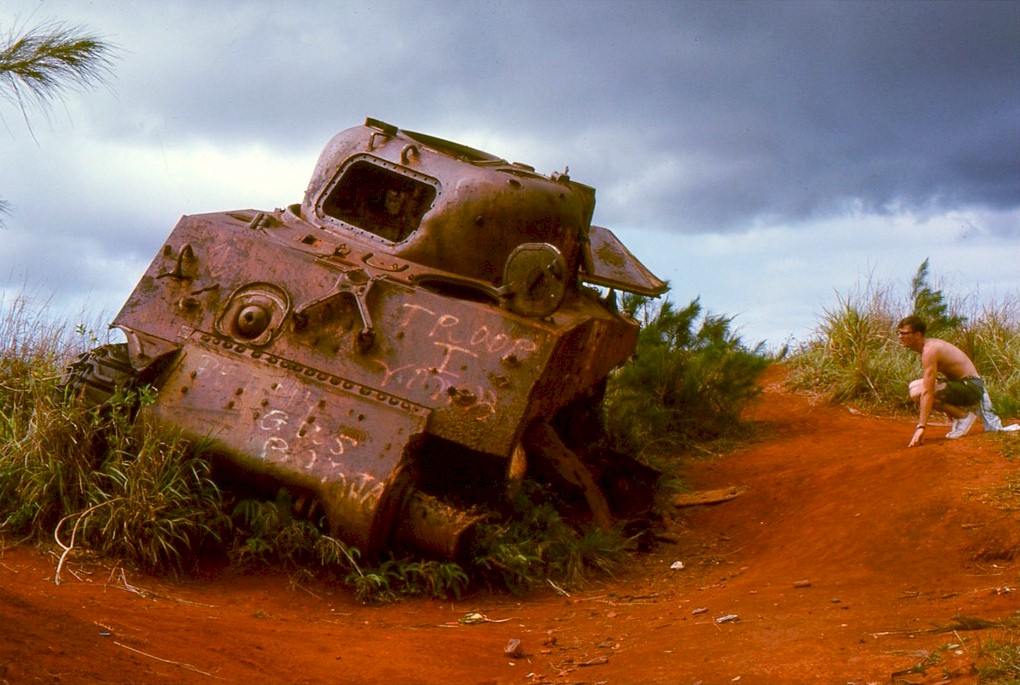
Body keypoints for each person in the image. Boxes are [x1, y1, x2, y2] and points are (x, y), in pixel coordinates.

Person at [897, 315, 1018, 447]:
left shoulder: (929, 350)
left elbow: (928, 392)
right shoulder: (926, 347)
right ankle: (961, 416)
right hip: (962, 384)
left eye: (904, 333)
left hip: (973, 387)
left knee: (920, 392)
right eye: (899, 333)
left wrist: (921, 427)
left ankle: (964, 417)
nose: (900, 337)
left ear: (917, 335)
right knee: (914, 387)